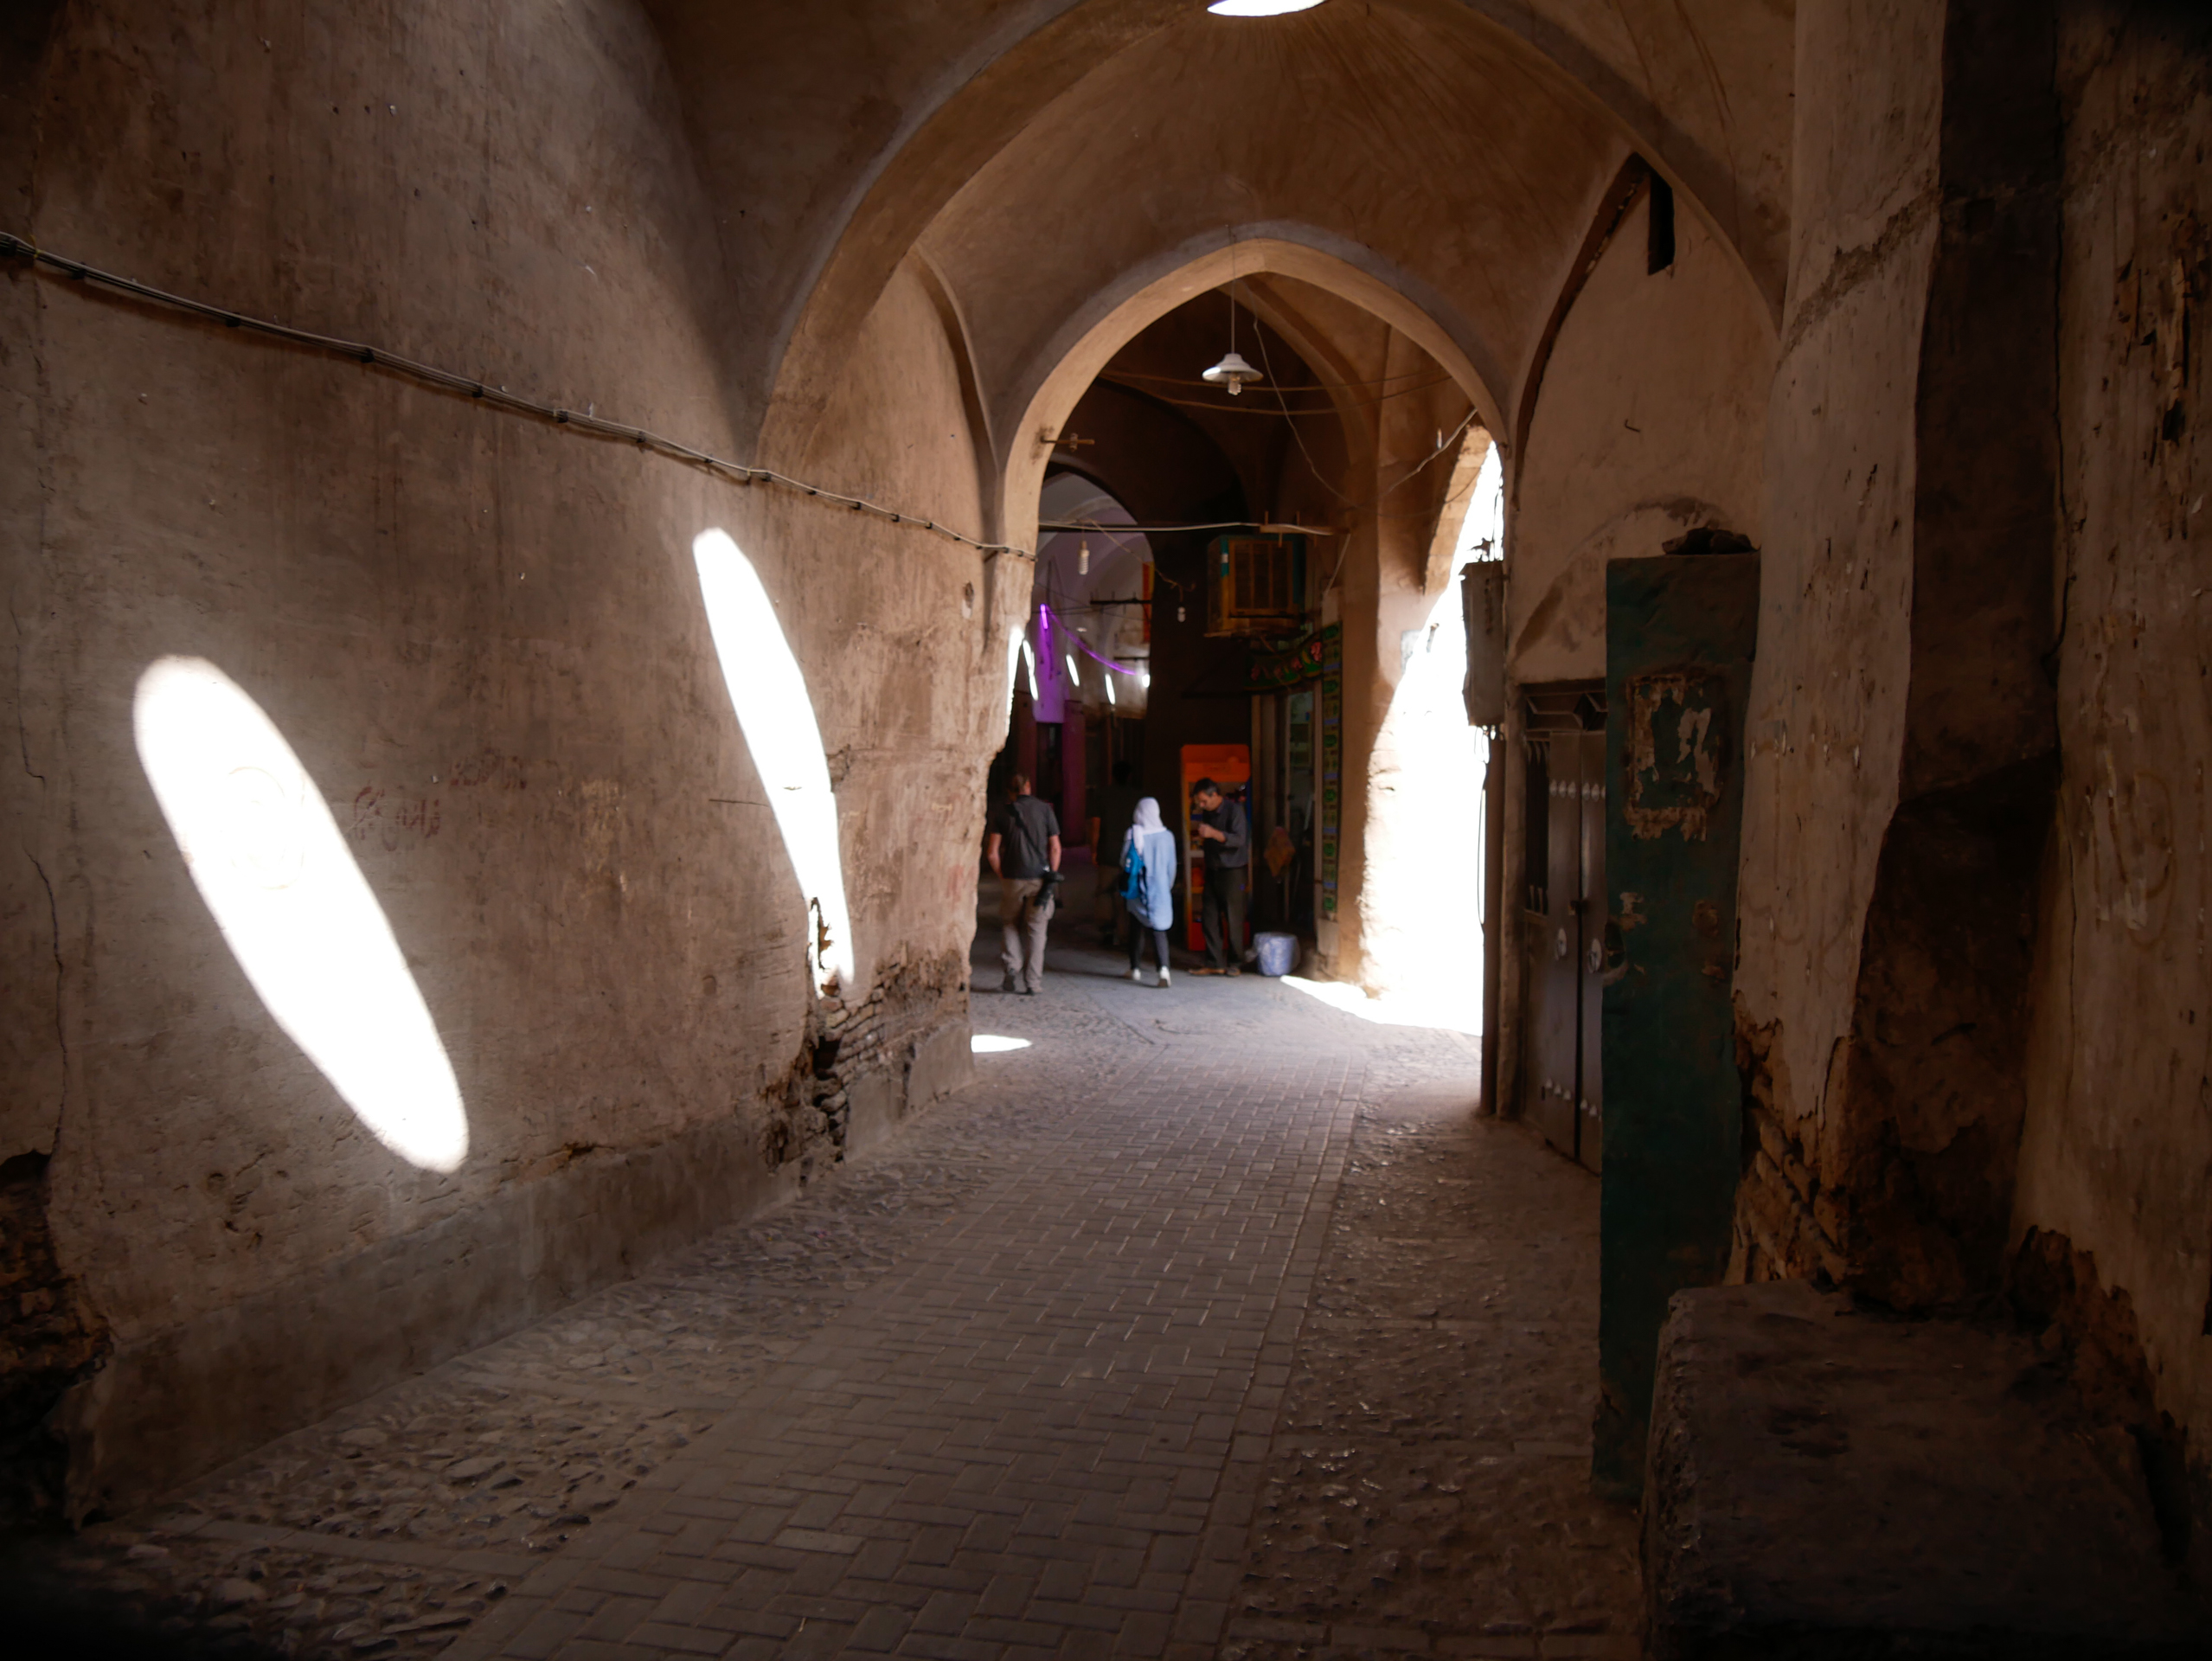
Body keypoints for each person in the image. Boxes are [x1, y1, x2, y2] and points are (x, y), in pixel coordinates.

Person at [985, 772, 1061, 995]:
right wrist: (1053, 875)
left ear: (1010, 790)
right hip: (1039, 879)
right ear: (1028, 785)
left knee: (1009, 923)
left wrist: (1002, 875)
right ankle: (1033, 983)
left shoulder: (1002, 812)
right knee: (1037, 930)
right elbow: (1055, 847)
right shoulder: (1045, 810)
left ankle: (1011, 967)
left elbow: (992, 853)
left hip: (1012, 878)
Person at [1189, 777, 1249, 976]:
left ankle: (1235, 963)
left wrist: (1214, 833)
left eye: (1204, 801)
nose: (1202, 805)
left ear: (1215, 795)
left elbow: (1240, 840)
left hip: (1233, 871)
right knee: (1209, 916)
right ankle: (1214, 962)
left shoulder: (1235, 811)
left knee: (1233, 918)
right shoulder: (1208, 813)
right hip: (1213, 870)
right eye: (1199, 802)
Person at [1119, 796, 1177, 988]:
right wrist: (1167, 885)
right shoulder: (1168, 836)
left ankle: (1135, 968)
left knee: (1136, 928)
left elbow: (1124, 862)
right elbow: (1172, 866)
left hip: (1138, 889)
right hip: (1160, 890)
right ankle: (1164, 970)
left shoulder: (1134, 833)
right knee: (1159, 930)